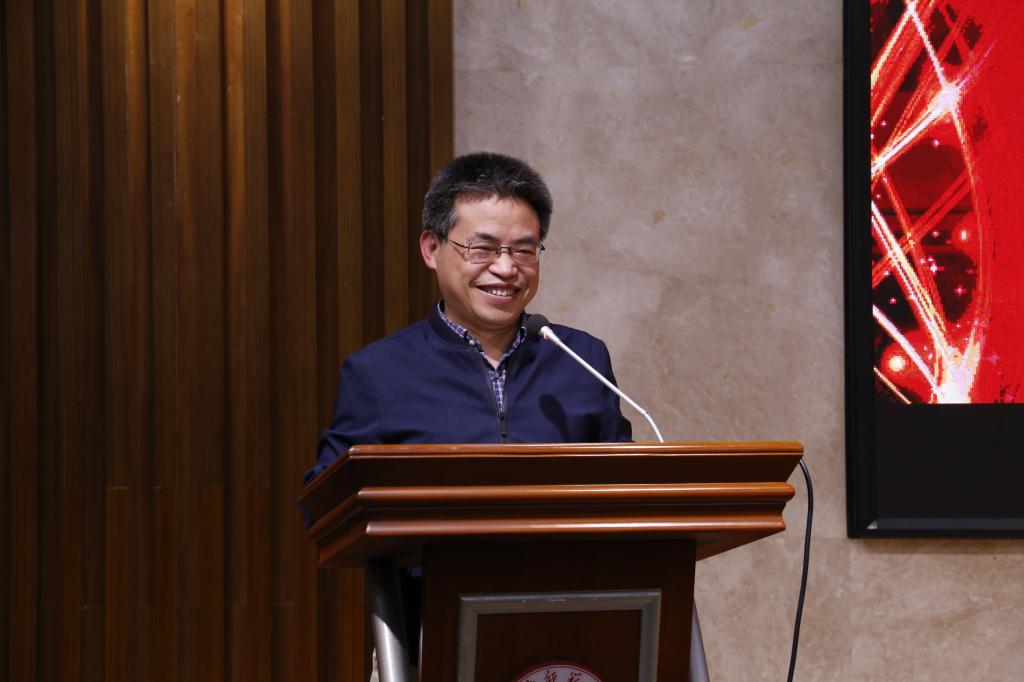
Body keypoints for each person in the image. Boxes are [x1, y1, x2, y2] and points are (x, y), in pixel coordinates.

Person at [303, 151, 632, 486]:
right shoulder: (377, 372)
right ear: (432, 249)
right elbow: (328, 502)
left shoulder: (582, 358)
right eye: (483, 249)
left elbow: (625, 484)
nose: (506, 268)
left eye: (523, 251)